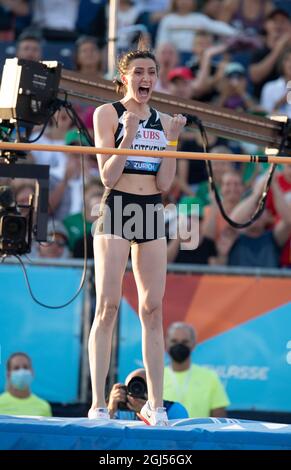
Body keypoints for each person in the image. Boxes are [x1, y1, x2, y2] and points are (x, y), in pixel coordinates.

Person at [88, 46, 186, 426]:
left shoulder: (162, 121)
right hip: (116, 207)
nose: (146, 78)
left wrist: (173, 142)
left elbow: (162, 183)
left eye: (151, 72)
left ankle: (155, 405)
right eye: (139, 72)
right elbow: (107, 177)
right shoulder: (106, 114)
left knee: (152, 309)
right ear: (125, 76)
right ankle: (98, 404)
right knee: (108, 306)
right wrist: (127, 135)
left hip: (149, 211)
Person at [164, 322, 230, 418]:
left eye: (185, 342)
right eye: (174, 341)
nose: (179, 346)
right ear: (166, 343)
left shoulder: (210, 377)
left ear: (193, 344)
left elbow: (220, 421)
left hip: (199, 433)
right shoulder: (155, 377)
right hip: (166, 433)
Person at [108, 368, 188, 421]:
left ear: (156, 389)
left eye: (142, 387)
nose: (137, 391)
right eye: (133, 386)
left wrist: (146, 413)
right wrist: (110, 410)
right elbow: (102, 439)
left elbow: (177, 442)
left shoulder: (174, 409)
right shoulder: (121, 410)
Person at [0, 352, 52, 417]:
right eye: (16, 368)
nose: (22, 372)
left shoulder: (44, 406)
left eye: (25, 367)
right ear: (8, 375)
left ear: (32, 372)